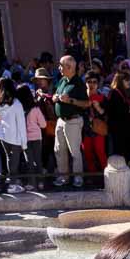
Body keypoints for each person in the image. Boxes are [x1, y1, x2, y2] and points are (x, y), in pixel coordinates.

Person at [52, 55, 89, 188]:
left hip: (73, 121)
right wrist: (55, 97)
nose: (59, 68)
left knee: (74, 151)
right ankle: (64, 178)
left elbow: (86, 103)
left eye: (61, 65)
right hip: (61, 121)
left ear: (69, 67)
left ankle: (78, 178)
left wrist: (71, 101)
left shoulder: (78, 83)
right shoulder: (62, 80)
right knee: (59, 150)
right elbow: (54, 95)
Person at [0, 77, 26, 194]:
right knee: (14, 161)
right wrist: (24, 143)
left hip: (3, 135)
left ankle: (11, 179)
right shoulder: (17, 104)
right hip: (15, 136)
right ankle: (12, 185)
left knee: (8, 158)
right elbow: (21, 125)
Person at [15, 84, 46, 189]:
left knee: (29, 161)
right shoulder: (36, 108)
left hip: (25, 139)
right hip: (37, 138)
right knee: (38, 160)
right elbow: (43, 124)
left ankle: (31, 183)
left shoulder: (19, 109)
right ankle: (41, 182)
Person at [105, 71, 130, 164]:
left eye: (129, 80)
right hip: (117, 129)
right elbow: (119, 111)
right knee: (119, 152)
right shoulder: (115, 93)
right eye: (126, 80)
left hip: (124, 128)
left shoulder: (123, 92)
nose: (129, 82)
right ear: (120, 81)